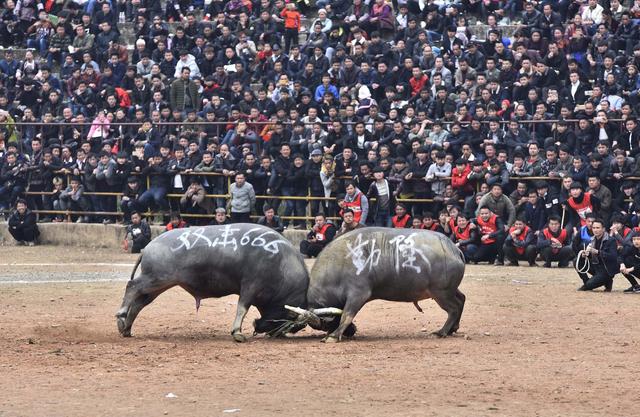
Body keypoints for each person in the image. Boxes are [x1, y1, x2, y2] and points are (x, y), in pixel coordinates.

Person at [576, 218, 618, 292]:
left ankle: (604, 281)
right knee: (577, 260)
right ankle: (587, 283)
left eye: (598, 228)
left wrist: (597, 252)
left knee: (589, 285)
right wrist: (586, 255)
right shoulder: (592, 239)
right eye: (594, 228)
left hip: (606, 270)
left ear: (603, 229)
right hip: (596, 266)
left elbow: (613, 257)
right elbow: (591, 256)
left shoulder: (611, 240)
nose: (595, 230)